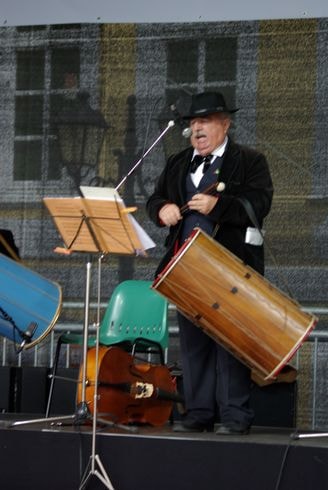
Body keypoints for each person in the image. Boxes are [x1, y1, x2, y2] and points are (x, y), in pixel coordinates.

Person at [146, 91, 273, 435]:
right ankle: (198, 413)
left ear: (225, 124)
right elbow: (155, 197)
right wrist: (162, 210)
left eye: (204, 122)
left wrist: (217, 206)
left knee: (231, 344)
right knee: (193, 346)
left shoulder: (249, 160)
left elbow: (258, 204)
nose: (197, 129)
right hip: (186, 269)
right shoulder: (177, 162)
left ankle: (234, 417)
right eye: (193, 123)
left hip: (231, 267)